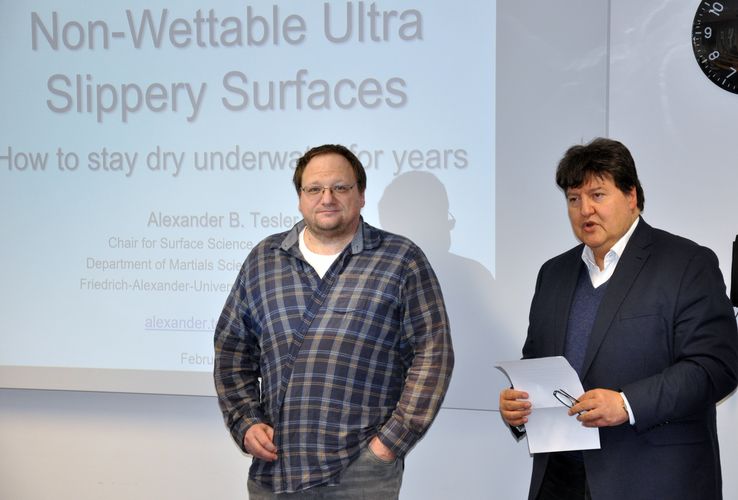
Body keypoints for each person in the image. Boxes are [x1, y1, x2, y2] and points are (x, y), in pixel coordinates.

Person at [499, 137, 738, 500]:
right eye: (574, 199)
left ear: (631, 196)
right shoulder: (553, 273)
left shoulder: (686, 263)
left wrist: (627, 404)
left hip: (652, 480)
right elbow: (536, 363)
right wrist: (519, 406)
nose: (585, 210)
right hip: (560, 481)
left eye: (597, 195)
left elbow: (715, 367)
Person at [214, 144, 454, 499]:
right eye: (314, 189)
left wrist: (389, 443)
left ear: (361, 195)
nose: (326, 198)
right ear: (300, 198)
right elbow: (232, 351)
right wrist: (246, 422)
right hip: (276, 467)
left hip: (361, 470)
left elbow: (433, 354)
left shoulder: (400, 260)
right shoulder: (264, 260)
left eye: (340, 187)